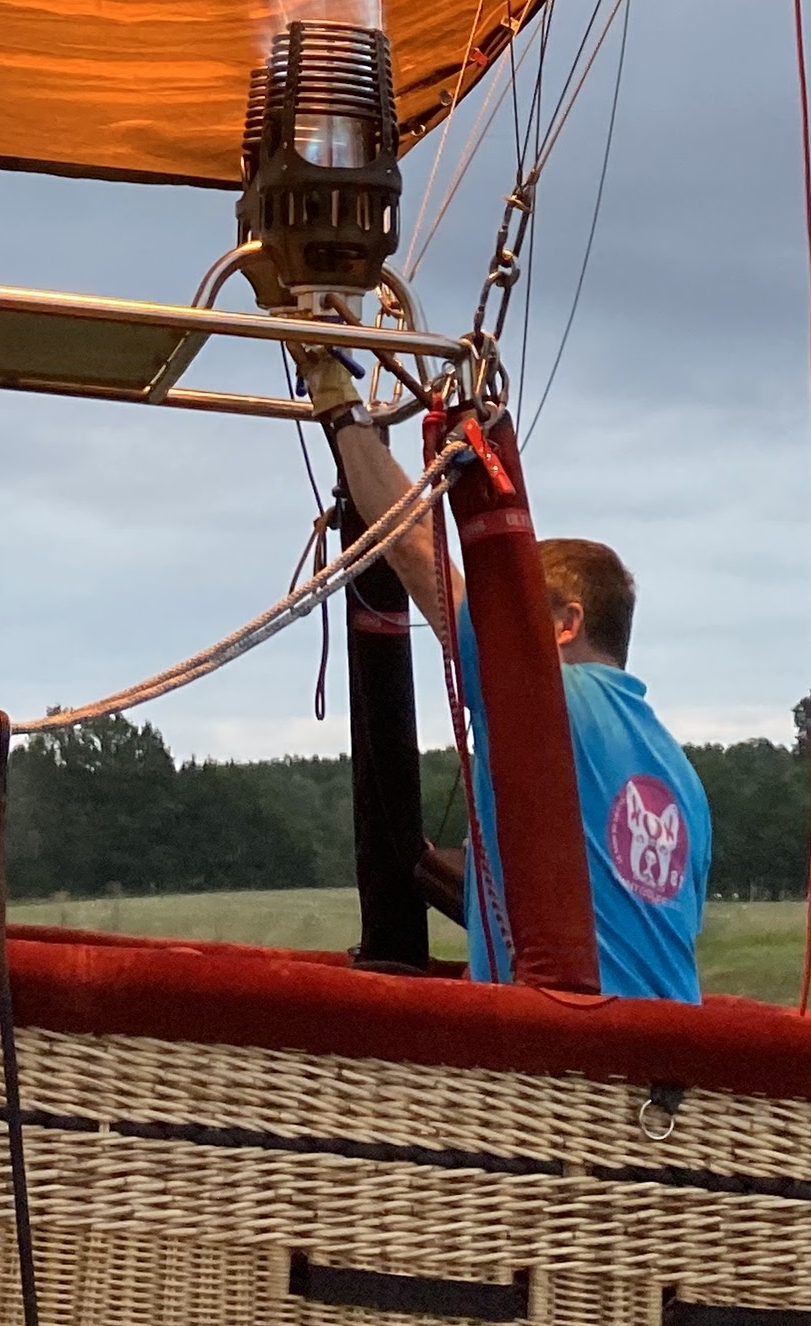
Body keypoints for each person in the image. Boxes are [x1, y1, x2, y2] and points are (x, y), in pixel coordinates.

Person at [306, 356, 714, 1000]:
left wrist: (337, 404)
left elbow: (413, 546)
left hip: (575, 1057)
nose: (504, 628)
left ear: (563, 625)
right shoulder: (681, 778)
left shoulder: (551, 698)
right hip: (670, 1064)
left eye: (519, 614)